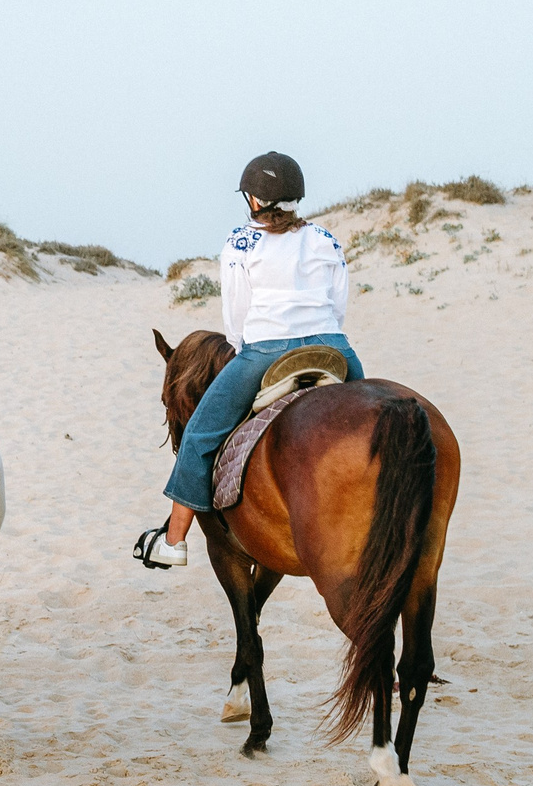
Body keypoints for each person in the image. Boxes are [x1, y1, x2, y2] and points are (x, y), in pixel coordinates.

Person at [134, 151, 365, 569]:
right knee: (367, 411)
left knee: (200, 436)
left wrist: (245, 347)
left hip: (267, 349)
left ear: (254, 201)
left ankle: (173, 541)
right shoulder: (326, 239)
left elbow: (236, 315)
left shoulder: (240, 242)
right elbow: (339, 303)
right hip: (333, 347)